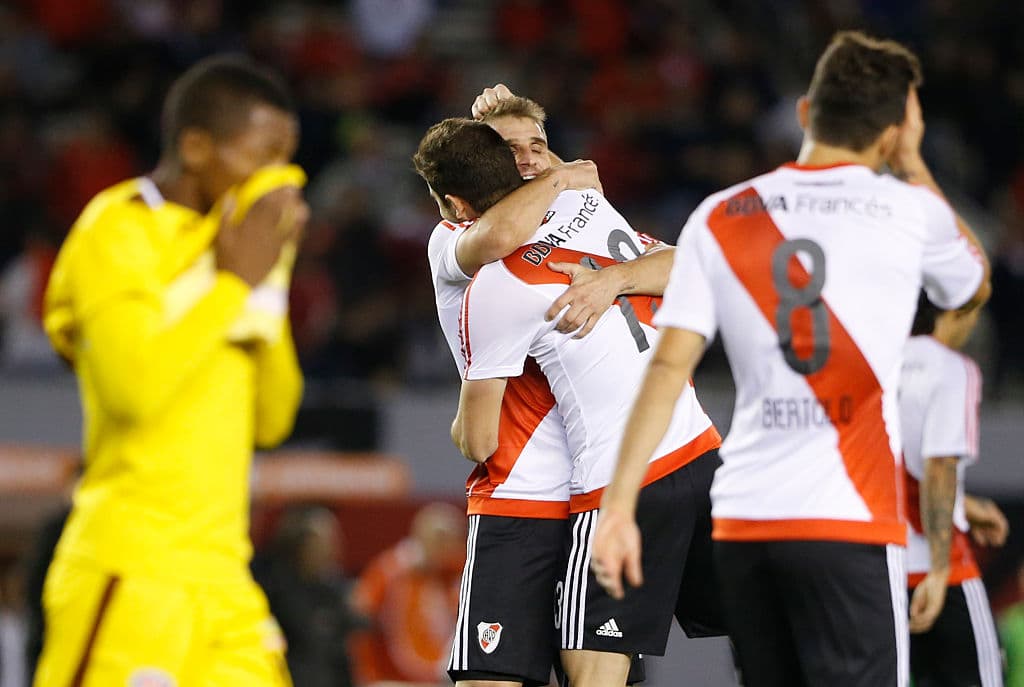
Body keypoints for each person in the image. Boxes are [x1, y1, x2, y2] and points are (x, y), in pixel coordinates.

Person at [592, 30, 991, 687]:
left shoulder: (721, 214)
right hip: (849, 520)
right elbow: (970, 282)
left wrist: (618, 506)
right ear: (893, 133)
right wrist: (914, 161)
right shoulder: (908, 207)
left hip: (746, 521)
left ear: (805, 114)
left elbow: (666, 370)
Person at [415, 117, 723, 687]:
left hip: (540, 489)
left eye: (539, 145)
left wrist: (617, 277)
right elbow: (497, 232)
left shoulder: (503, 280)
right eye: (519, 152)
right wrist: (570, 178)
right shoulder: (485, 238)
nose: (533, 159)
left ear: (452, 201)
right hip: (659, 459)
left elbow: (478, 439)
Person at [34, 55, 306, 686]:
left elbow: (271, 420)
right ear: (195, 146)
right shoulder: (118, 227)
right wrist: (233, 282)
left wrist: (269, 283)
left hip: (224, 577)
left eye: (287, 159)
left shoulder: (236, 249)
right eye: (262, 156)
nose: (278, 180)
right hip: (131, 569)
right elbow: (133, 389)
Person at [900, 293, 1006, 686]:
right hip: (938, 571)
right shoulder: (949, 369)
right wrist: (941, 568)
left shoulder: (873, 359)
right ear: (954, 309)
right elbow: (939, 466)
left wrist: (964, 505)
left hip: (876, 569)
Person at [350, 502, 466, 685]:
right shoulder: (390, 572)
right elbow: (359, 616)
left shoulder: (451, 572)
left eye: (454, 540)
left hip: (437, 676)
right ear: (421, 536)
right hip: (393, 679)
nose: (449, 547)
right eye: (441, 539)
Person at [253, 506, 364, 687]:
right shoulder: (271, 589)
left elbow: (343, 653)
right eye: (321, 542)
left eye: (333, 541)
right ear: (301, 545)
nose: (331, 549)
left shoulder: (333, 591)